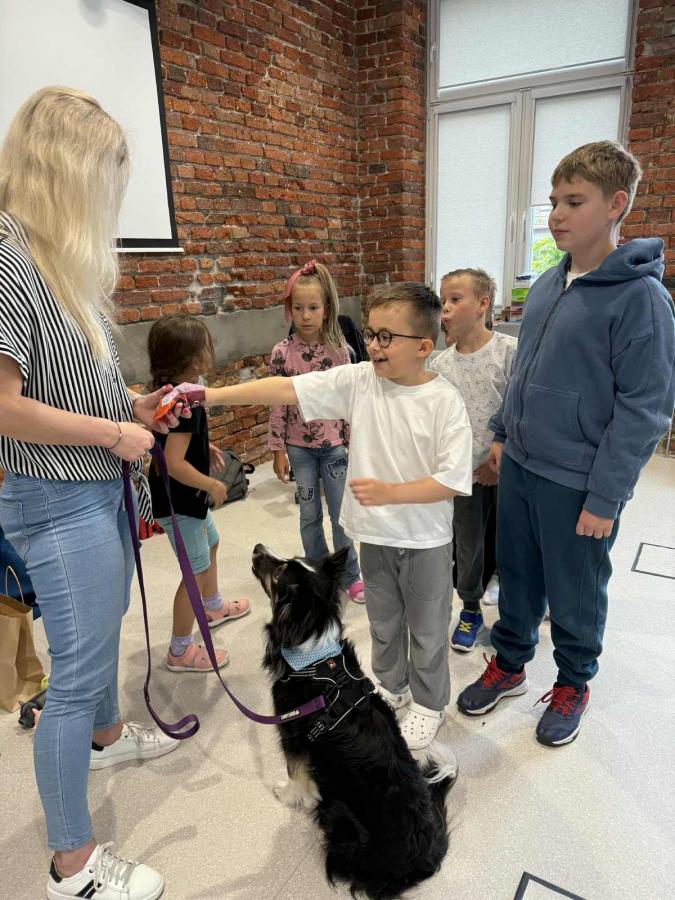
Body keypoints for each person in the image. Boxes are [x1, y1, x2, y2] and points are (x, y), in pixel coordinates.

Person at [0, 87, 183, 900]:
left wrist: (132, 408)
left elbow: (70, 383)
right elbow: (3, 406)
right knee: (72, 678)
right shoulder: (7, 256)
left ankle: (108, 738)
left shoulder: (56, 263)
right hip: (56, 494)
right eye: (107, 175)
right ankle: (71, 868)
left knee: (99, 635)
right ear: (67, 169)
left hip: (92, 485)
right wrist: (113, 435)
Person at [165, 283, 473, 749]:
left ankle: (430, 704)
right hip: (375, 535)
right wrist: (209, 394)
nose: (373, 345)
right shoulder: (360, 379)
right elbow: (287, 388)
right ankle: (393, 686)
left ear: (423, 347)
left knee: (427, 628)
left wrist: (392, 492)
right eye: (370, 333)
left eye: (386, 337)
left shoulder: (444, 400)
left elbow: (452, 479)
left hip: (425, 540)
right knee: (384, 623)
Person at [457, 141, 675, 746]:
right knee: (518, 573)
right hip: (523, 463)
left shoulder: (642, 300)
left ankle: (574, 681)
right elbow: (524, 369)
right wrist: (503, 432)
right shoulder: (549, 283)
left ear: (616, 205)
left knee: (575, 589)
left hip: (579, 479)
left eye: (574, 202)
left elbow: (645, 410)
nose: (556, 215)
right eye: (553, 201)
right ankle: (510, 663)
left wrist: (605, 498)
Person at [147, 313, 250, 672]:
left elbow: (173, 441)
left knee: (212, 544)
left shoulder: (175, 392)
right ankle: (180, 650)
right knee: (194, 572)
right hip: (180, 500)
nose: (211, 350)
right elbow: (174, 463)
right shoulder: (184, 404)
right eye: (207, 346)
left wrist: (205, 447)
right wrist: (211, 484)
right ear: (191, 359)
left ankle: (213, 606)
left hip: (186, 498)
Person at [429, 268, 517, 652]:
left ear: (483, 304)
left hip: (507, 470)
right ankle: (469, 608)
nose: (445, 309)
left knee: (512, 539)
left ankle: (515, 606)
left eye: (455, 299)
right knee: (467, 545)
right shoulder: (440, 366)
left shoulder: (509, 352)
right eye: (443, 301)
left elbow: (520, 409)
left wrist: (499, 459)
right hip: (463, 476)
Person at [268, 260, 365, 603]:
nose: (305, 315)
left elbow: (349, 402)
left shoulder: (341, 352)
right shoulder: (282, 354)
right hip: (300, 450)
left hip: (335, 447)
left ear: (326, 310)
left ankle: (350, 574)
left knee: (341, 515)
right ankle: (317, 572)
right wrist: (277, 450)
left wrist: (356, 445)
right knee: (309, 515)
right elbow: (277, 404)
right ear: (289, 309)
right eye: (298, 308)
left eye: (313, 308)